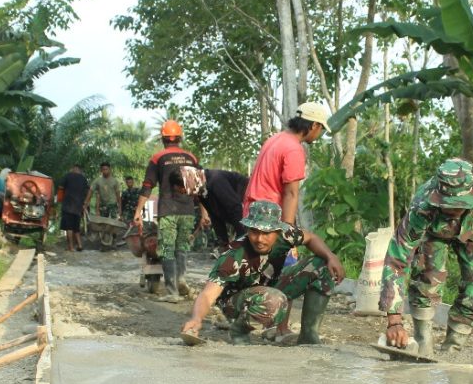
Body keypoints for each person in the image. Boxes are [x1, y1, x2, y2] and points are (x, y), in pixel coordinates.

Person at [381, 158, 473, 358]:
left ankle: (451, 351)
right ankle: (423, 342)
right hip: (434, 233)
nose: (453, 211)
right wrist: (394, 320)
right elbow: (397, 259)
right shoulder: (422, 207)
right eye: (448, 204)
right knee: (427, 280)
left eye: (460, 205)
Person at [182, 201, 345, 345]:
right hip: (236, 302)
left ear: (277, 231)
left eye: (266, 233)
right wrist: (196, 319)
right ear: (247, 229)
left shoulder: (286, 234)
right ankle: (239, 329)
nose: (259, 239)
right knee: (275, 300)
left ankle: (309, 335)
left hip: (269, 287)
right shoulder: (233, 256)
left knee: (322, 265)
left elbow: (310, 238)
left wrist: (331, 256)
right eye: (254, 231)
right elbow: (208, 294)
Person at [133, 119, 199, 300]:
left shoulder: (158, 158)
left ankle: (172, 292)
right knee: (182, 248)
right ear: (179, 138)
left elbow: (147, 186)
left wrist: (138, 212)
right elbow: (199, 189)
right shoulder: (191, 158)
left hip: (168, 211)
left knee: (167, 249)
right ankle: (181, 278)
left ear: (163, 139)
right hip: (187, 211)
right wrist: (205, 214)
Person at [242, 101, 329, 224]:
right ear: (314, 125)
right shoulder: (294, 149)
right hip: (267, 216)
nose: (320, 133)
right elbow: (291, 194)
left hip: (251, 211)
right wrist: (288, 233)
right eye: (321, 128)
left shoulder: (275, 138)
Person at [173, 166, 249, 251]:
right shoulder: (202, 191)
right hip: (239, 218)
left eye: (183, 189)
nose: (185, 193)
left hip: (249, 211)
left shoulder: (215, 181)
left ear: (188, 180)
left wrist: (242, 238)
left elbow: (236, 209)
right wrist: (224, 244)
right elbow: (215, 216)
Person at [58, 164, 90, 252]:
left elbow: (60, 188)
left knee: (69, 228)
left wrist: (60, 200)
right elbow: (88, 191)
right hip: (78, 207)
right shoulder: (83, 179)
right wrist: (85, 204)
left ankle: (71, 247)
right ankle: (79, 245)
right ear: (80, 170)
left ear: (73, 169)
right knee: (76, 228)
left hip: (68, 206)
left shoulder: (67, 176)